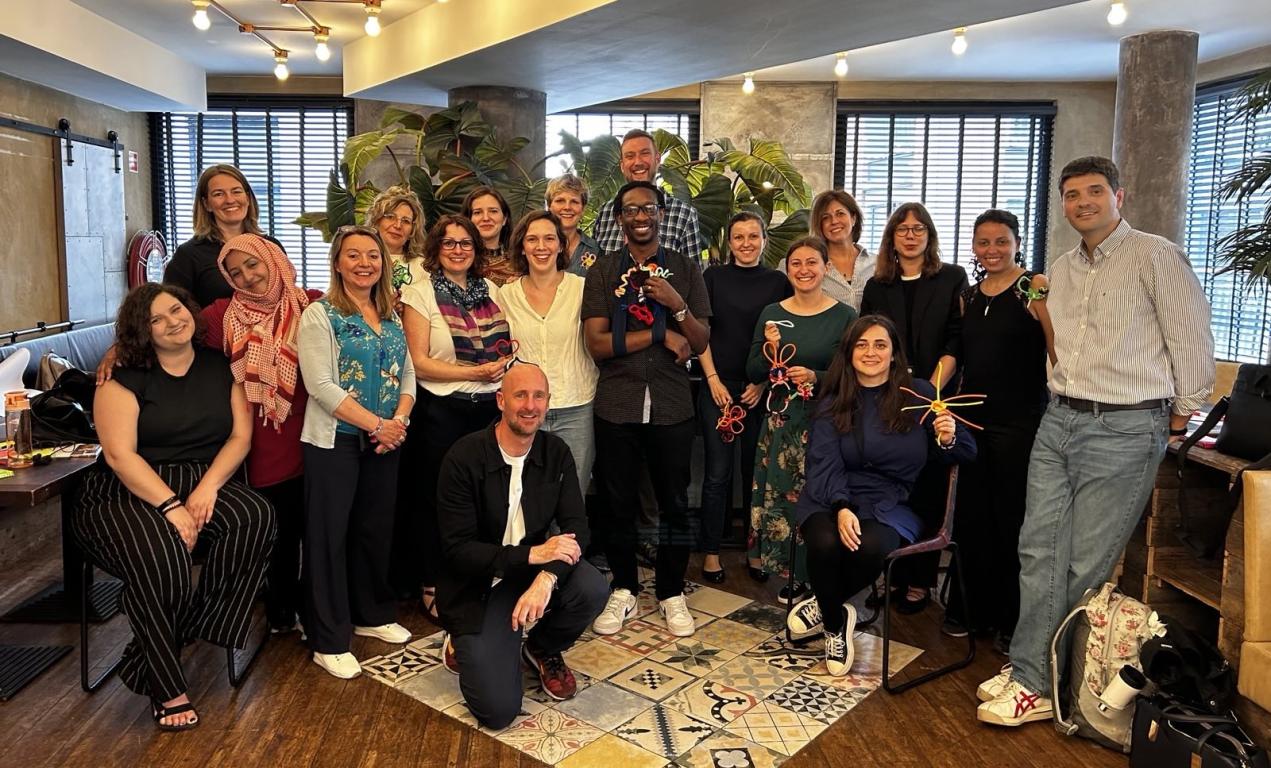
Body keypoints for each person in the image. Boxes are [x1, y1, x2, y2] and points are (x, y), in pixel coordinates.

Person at [977, 156, 1215, 726]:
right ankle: (1032, 667)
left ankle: (1042, 683)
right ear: (1061, 203)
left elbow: (1193, 345)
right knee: (1038, 551)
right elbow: (1059, 346)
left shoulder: (1156, 256)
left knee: (1084, 563)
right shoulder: (1063, 265)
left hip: (1126, 426)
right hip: (1059, 419)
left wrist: (1174, 423)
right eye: (1071, 194)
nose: (1082, 202)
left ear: (1119, 196)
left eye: (1094, 191)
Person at [74, 283, 275, 730]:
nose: (172, 322)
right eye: (156, 319)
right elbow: (120, 456)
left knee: (255, 517)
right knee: (162, 558)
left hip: (201, 476)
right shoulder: (122, 377)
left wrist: (206, 489)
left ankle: (176, 633)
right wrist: (171, 506)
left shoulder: (220, 367)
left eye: (176, 310)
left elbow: (240, 437)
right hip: (126, 491)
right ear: (140, 331)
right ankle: (167, 685)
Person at [786, 315, 975, 675]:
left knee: (871, 546)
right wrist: (841, 506)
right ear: (849, 352)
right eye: (862, 344)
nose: (870, 352)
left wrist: (948, 437)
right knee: (824, 541)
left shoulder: (918, 394)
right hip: (831, 493)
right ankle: (834, 622)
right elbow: (823, 461)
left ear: (893, 354)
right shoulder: (834, 397)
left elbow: (965, 452)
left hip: (892, 501)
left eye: (880, 345)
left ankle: (825, 603)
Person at [435, 363, 608, 729]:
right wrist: (533, 555)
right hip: (478, 586)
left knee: (592, 587)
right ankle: (461, 640)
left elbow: (578, 528)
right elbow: (457, 551)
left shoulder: (556, 452)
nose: (530, 406)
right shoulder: (463, 457)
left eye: (539, 396)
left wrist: (546, 577)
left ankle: (541, 648)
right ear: (500, 400)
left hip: (529, 576)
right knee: (498, 712)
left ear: (547, 403)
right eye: (520, 395)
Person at [583, 180, 711, 638]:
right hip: (616, 403)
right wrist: (657, 335)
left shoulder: (685, 269)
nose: (641, 216)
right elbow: (596, 345)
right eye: (631, 210)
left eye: (649, 208)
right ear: (619, 219)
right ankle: (624, 589)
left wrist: (677, 308)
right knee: (617, 502)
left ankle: (672, 591)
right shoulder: (601, 273)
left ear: (661, 214)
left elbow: (699, 342)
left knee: (676, 503)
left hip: (673, 405)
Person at [298, 225, 416, 679]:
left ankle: (370, 614)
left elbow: (406, 374)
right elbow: (321, 386)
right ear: (338, 263)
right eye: (354, 255)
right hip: (335, 442)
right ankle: (327, 639)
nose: (364, 263)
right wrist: (378, 426)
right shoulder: (320, 315)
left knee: (374, 529)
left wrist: (398, 422)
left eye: (372, 255)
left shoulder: (390, 315)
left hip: (385, 440)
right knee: (329, 538)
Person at [941, 210, 1052, 649]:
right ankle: (971, 611)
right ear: (973, 246)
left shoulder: (1033, 285)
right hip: (973, 420)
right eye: (983, 242)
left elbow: (1056, 344)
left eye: (1001, 241)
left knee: (1013, 520)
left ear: (1017, 243)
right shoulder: (968, 296)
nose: (992, 250)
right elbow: (957, 355)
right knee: (972, 518)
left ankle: (1012, 622)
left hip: (1020, 421)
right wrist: (926, 392)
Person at [399, 214, 513, 619]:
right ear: (436, 249)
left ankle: (476, 576)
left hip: (487, 410)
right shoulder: (419, 293)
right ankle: (432, 581)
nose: (459, 250)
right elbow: (419, 362)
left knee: (482, 500)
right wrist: (474, 372)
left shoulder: (493, 290)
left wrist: (500, 368)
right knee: (436, 499)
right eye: (450, 243)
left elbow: (508, 344)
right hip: (441, 411)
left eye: (466, 243)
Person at [860, 202, 968, 613]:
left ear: (929, 236)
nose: (910, 235)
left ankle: (918, 581)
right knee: (890, 486)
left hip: (934, 397)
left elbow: (955, 341)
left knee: (927, 489)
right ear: (891, 238)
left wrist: (928, 390)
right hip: (886, 397)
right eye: (902, 229)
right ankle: (890, 574)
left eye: (918, 228)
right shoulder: (878, 285)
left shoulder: (952, 278)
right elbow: (869, 340)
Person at [747, 236, 857, 602]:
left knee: (818, 496)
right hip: (780, 424)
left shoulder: (845, 316)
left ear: (826, 267)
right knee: (781, 499)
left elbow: (854, 374)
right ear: (787, 269)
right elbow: (754, 369)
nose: (804, 270)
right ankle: (791, 573)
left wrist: (817, 377)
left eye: (812, 262)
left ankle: (819, 574)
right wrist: (771, 349)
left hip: (823, 423)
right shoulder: (771, 313)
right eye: (796, 263)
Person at [697, 212, 792, 584]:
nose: (747, 243)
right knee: (717, 475)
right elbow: (701, 334)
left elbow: (783, 339)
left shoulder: (778, 282)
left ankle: (757, 553)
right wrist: (714, 381)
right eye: (739, 237)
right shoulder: (713, 277)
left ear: (765, 240)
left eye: (754, 236)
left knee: (757, 476)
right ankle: (710, 553)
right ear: (730, 241)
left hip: (761, 392)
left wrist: (765, 383)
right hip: (717, 387)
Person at [500, 210, 598, 494]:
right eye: (532, 239)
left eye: (548, 238)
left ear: (560, 245)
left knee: (572, 496)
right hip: (524, 411)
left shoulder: (583, 289)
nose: (540, 247)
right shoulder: (505, 295)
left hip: (576, 407)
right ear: (522, 246)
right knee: (523, 495)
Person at [164, 164, 284, 307]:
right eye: (218, 194)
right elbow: (171, 309)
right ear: (206, 204)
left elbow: (288, 295)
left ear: (247, 197)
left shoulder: (270, 245)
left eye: (236, 191)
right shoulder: (188, 255)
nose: (230, 200)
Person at [591, 129, 705, 261]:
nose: (638, 162)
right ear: (622, 166)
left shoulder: (684, 214)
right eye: (630, 156)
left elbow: (694, 278)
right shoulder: (606, 212)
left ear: (657, 159)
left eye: (644, 154)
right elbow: (595, 269)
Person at [783, 190, 873, 310]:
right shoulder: (802, 266)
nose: (834, 221)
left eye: (840, 214)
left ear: (853, 218)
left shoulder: (877, 264)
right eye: (826, 217)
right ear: (819, 225)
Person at [367, 185, 428, 299]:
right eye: (390, 217)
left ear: (412, 230)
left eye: (406, 221)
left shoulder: (423, 267)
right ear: (376, 221)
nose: (398, 225)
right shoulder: (362, 261)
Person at [546, 173, 604, 276]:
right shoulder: (535, 245)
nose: (567, 207)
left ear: (583, 209)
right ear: (549, 206)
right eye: (560, 201)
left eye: (574, 202)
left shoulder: (595, 250)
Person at [462, 186, 519, 286]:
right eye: (477, 212)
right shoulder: (458, 259)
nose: (486, 218)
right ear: (468, 219)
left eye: (493, 211)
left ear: (505, 218)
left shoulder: (521, 261)